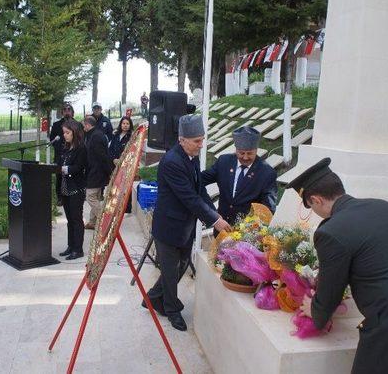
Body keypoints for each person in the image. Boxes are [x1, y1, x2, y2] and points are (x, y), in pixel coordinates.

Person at [287, 158, 388, 374]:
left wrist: (314, 310)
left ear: (316, 200)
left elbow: (331, 290)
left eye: (311, 206)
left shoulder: (331, 232)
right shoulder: (385, 208)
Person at [144, 114, 233, 331]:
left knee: (182, 265)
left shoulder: (192, 157)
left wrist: (216, 216)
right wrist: (215, 220)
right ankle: (171, 310)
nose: (201, 145)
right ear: (182, 139)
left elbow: (199, 189)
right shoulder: (172, 161)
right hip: (169, 226)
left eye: (202, 140)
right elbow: (189, 198)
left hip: (185, 225)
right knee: (170, 269)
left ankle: (153, 298)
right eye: (197, 141)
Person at [201, 126, 277, 232]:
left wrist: (250, 229)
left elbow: (268, 209)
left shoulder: (266, 173)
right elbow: (200, 180)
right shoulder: (224, 162)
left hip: (248, 234)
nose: (245, 157)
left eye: (250, 153)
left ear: (256, 150)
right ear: (236, 149)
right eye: (241, 153)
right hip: (222, 229)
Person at [58, 119, 87, 261]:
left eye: (67, 133)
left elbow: (80, 167)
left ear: (74, 133)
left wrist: (66, 169)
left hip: (76, 189)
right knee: (69, 219)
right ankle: (70, 246)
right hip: (65, 188)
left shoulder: (81, 148)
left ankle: (78, 249)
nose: (65, 135)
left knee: (76, 219)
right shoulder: (66, 147)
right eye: (64, 133)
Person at [83, 116, 113, 230]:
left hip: (97, 171)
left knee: (90, 197)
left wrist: (108, 171)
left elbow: (102, 156)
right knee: (95, 196)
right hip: (95, 170)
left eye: (84, 125)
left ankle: (105, 220)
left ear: (87, 125)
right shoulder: (94, 134)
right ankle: (92, 222)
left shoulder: (96, 137)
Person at [50, 104, 75, 206]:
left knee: (73, 176)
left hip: (73, 155)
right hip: (60, 155)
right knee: (59, 176)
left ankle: (72, 195)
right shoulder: (56, 125)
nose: (67, 111)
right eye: (64, 110)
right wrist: (61, 148)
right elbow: (53, 140)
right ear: (62, 112)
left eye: (69, 109)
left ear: (72, 112)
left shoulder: (77, 124)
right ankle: (60, 198)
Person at [108, 116, 134, 212]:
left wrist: (122, 161)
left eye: (127, 124)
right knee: (116, 186)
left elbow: (132, 152)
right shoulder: (115, 135)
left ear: (130, 125)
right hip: (115, 165)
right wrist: (113, 159)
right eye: (123, 123)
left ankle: (127, 209)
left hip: (126, 166)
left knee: (126, 187)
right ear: (120, 124)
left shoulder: (132, 137)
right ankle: (116, 207)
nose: (125, 125)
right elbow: (110, 150)